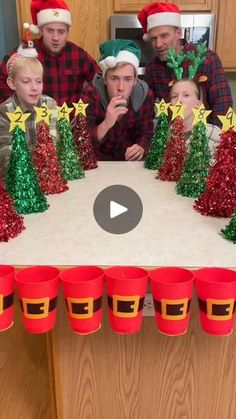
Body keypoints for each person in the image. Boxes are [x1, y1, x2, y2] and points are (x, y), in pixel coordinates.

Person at [138, 2, 233, 126]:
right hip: (171, 138)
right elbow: (145, 109)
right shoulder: (153, 68)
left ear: (178, 33)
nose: (158, 44)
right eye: (153, 38)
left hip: (205, 137)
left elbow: (223, 107)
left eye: (164, 36)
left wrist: (215, 141)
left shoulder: (207, 59)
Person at [0, 0, 100, 106]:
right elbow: (2, 80)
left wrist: (86, 104)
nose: (55, 38)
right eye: (50, 31)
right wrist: (19, 108)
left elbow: (100, 81)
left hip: (69, 120)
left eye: (61, 32)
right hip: (35, 119)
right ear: (41, 30)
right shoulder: (25, 52)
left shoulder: (78, 55)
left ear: (67, 32)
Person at [77, 39, 154, 161]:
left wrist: (141, 147)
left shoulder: (144, 95)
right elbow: (80, 141)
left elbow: (147, 134)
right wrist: (106, 124)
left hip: (130, 165)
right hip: (99, 164)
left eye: (128, 79)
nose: (121, 88)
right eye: (114, 78)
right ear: (105, 80)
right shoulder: (90, 95)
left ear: (135, 80)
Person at [0, 52, 58, 177]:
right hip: (20, 182)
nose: (34, 88)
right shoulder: (4, 112)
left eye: (39, 81)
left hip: (49, 177)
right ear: (12, 83)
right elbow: (6, 157)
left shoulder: (50, 105)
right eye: (26, 81)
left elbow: (55, 145)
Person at [170, 78, 220, 160]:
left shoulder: (213, 133)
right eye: (174, 96)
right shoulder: (168, 133)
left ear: (198, 104)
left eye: (186, 95)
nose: (179, 101)